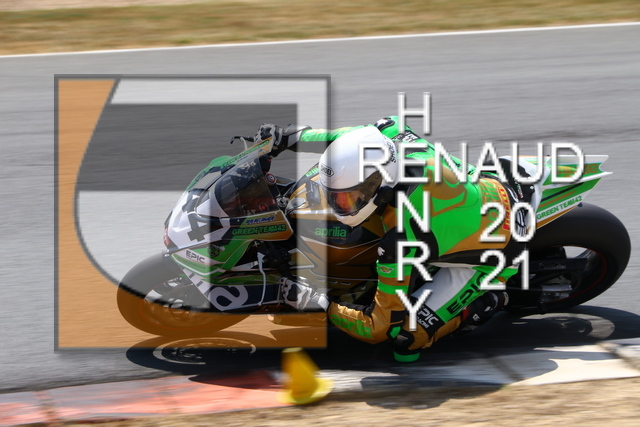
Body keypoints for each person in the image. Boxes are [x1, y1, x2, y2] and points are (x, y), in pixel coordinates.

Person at [257, 117, 536, 362]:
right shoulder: (390, 136)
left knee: (405, 339)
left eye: (348, 198)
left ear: (379, 183)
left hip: (499, 247)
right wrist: (288, 136)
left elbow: (378, 327)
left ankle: (488, 300)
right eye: (333, 195)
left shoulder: (402, 237)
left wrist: (322, 305)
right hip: (484, 188)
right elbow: (345, 138)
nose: (337, 205)